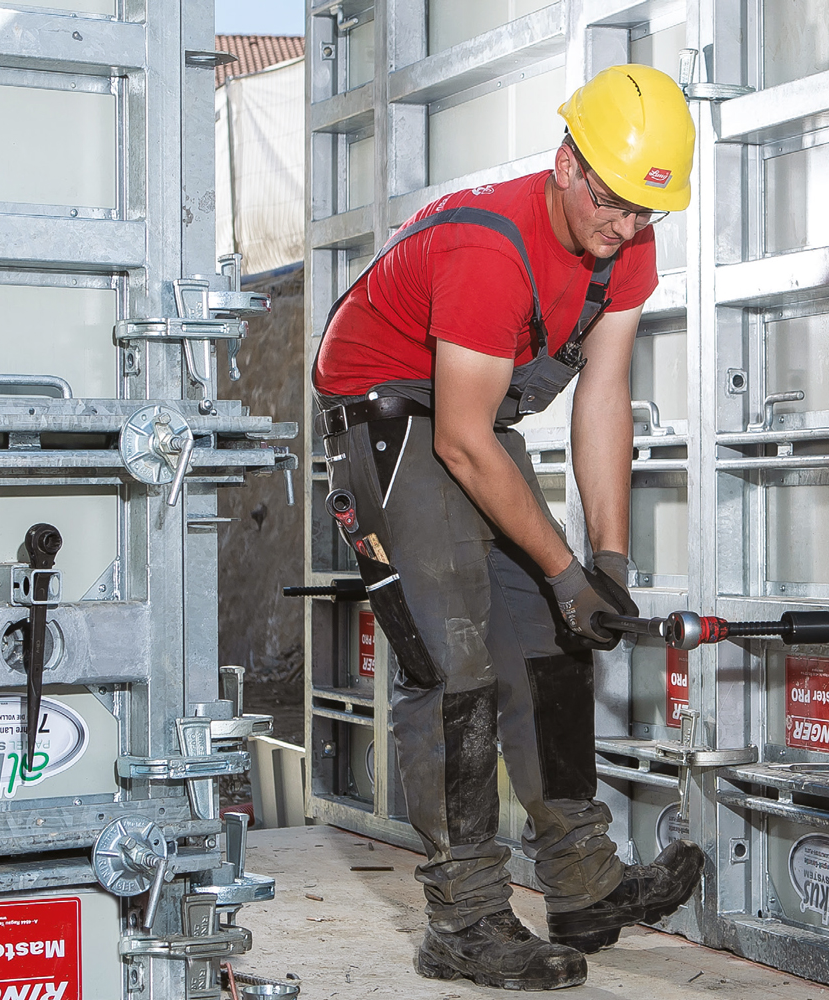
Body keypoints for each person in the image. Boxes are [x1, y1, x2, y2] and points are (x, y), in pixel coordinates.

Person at [311, 64, 704, 991]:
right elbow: (457, 439)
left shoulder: (624, 242)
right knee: (453, 668)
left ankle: (582, 881)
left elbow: (602, 396)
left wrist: (603, 564)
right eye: (611, 203)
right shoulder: (489, 247)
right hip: (390, 419)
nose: (625, 229)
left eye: (645, 213)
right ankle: (466, 918)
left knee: (553, 642)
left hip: (472, 419)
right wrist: (564, 569)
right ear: (566, 164)